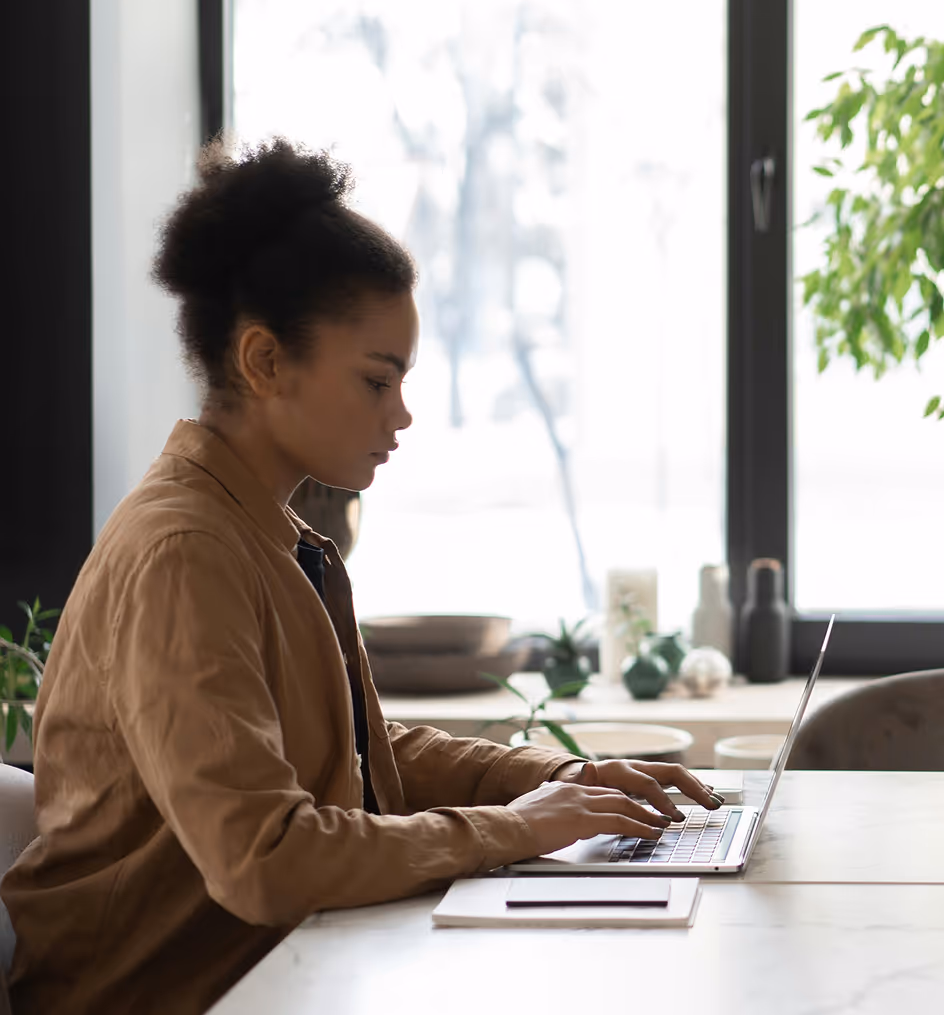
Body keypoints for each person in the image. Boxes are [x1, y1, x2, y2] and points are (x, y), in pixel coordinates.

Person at [1, 139, 725, 1014]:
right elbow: (265, 859)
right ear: (265, 362)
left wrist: (543, 780)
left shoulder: (263, 532)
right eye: (378, 380)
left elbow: (357, 757)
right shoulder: (183, 555)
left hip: (280, 976)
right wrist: (515, 829)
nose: (403, 414)